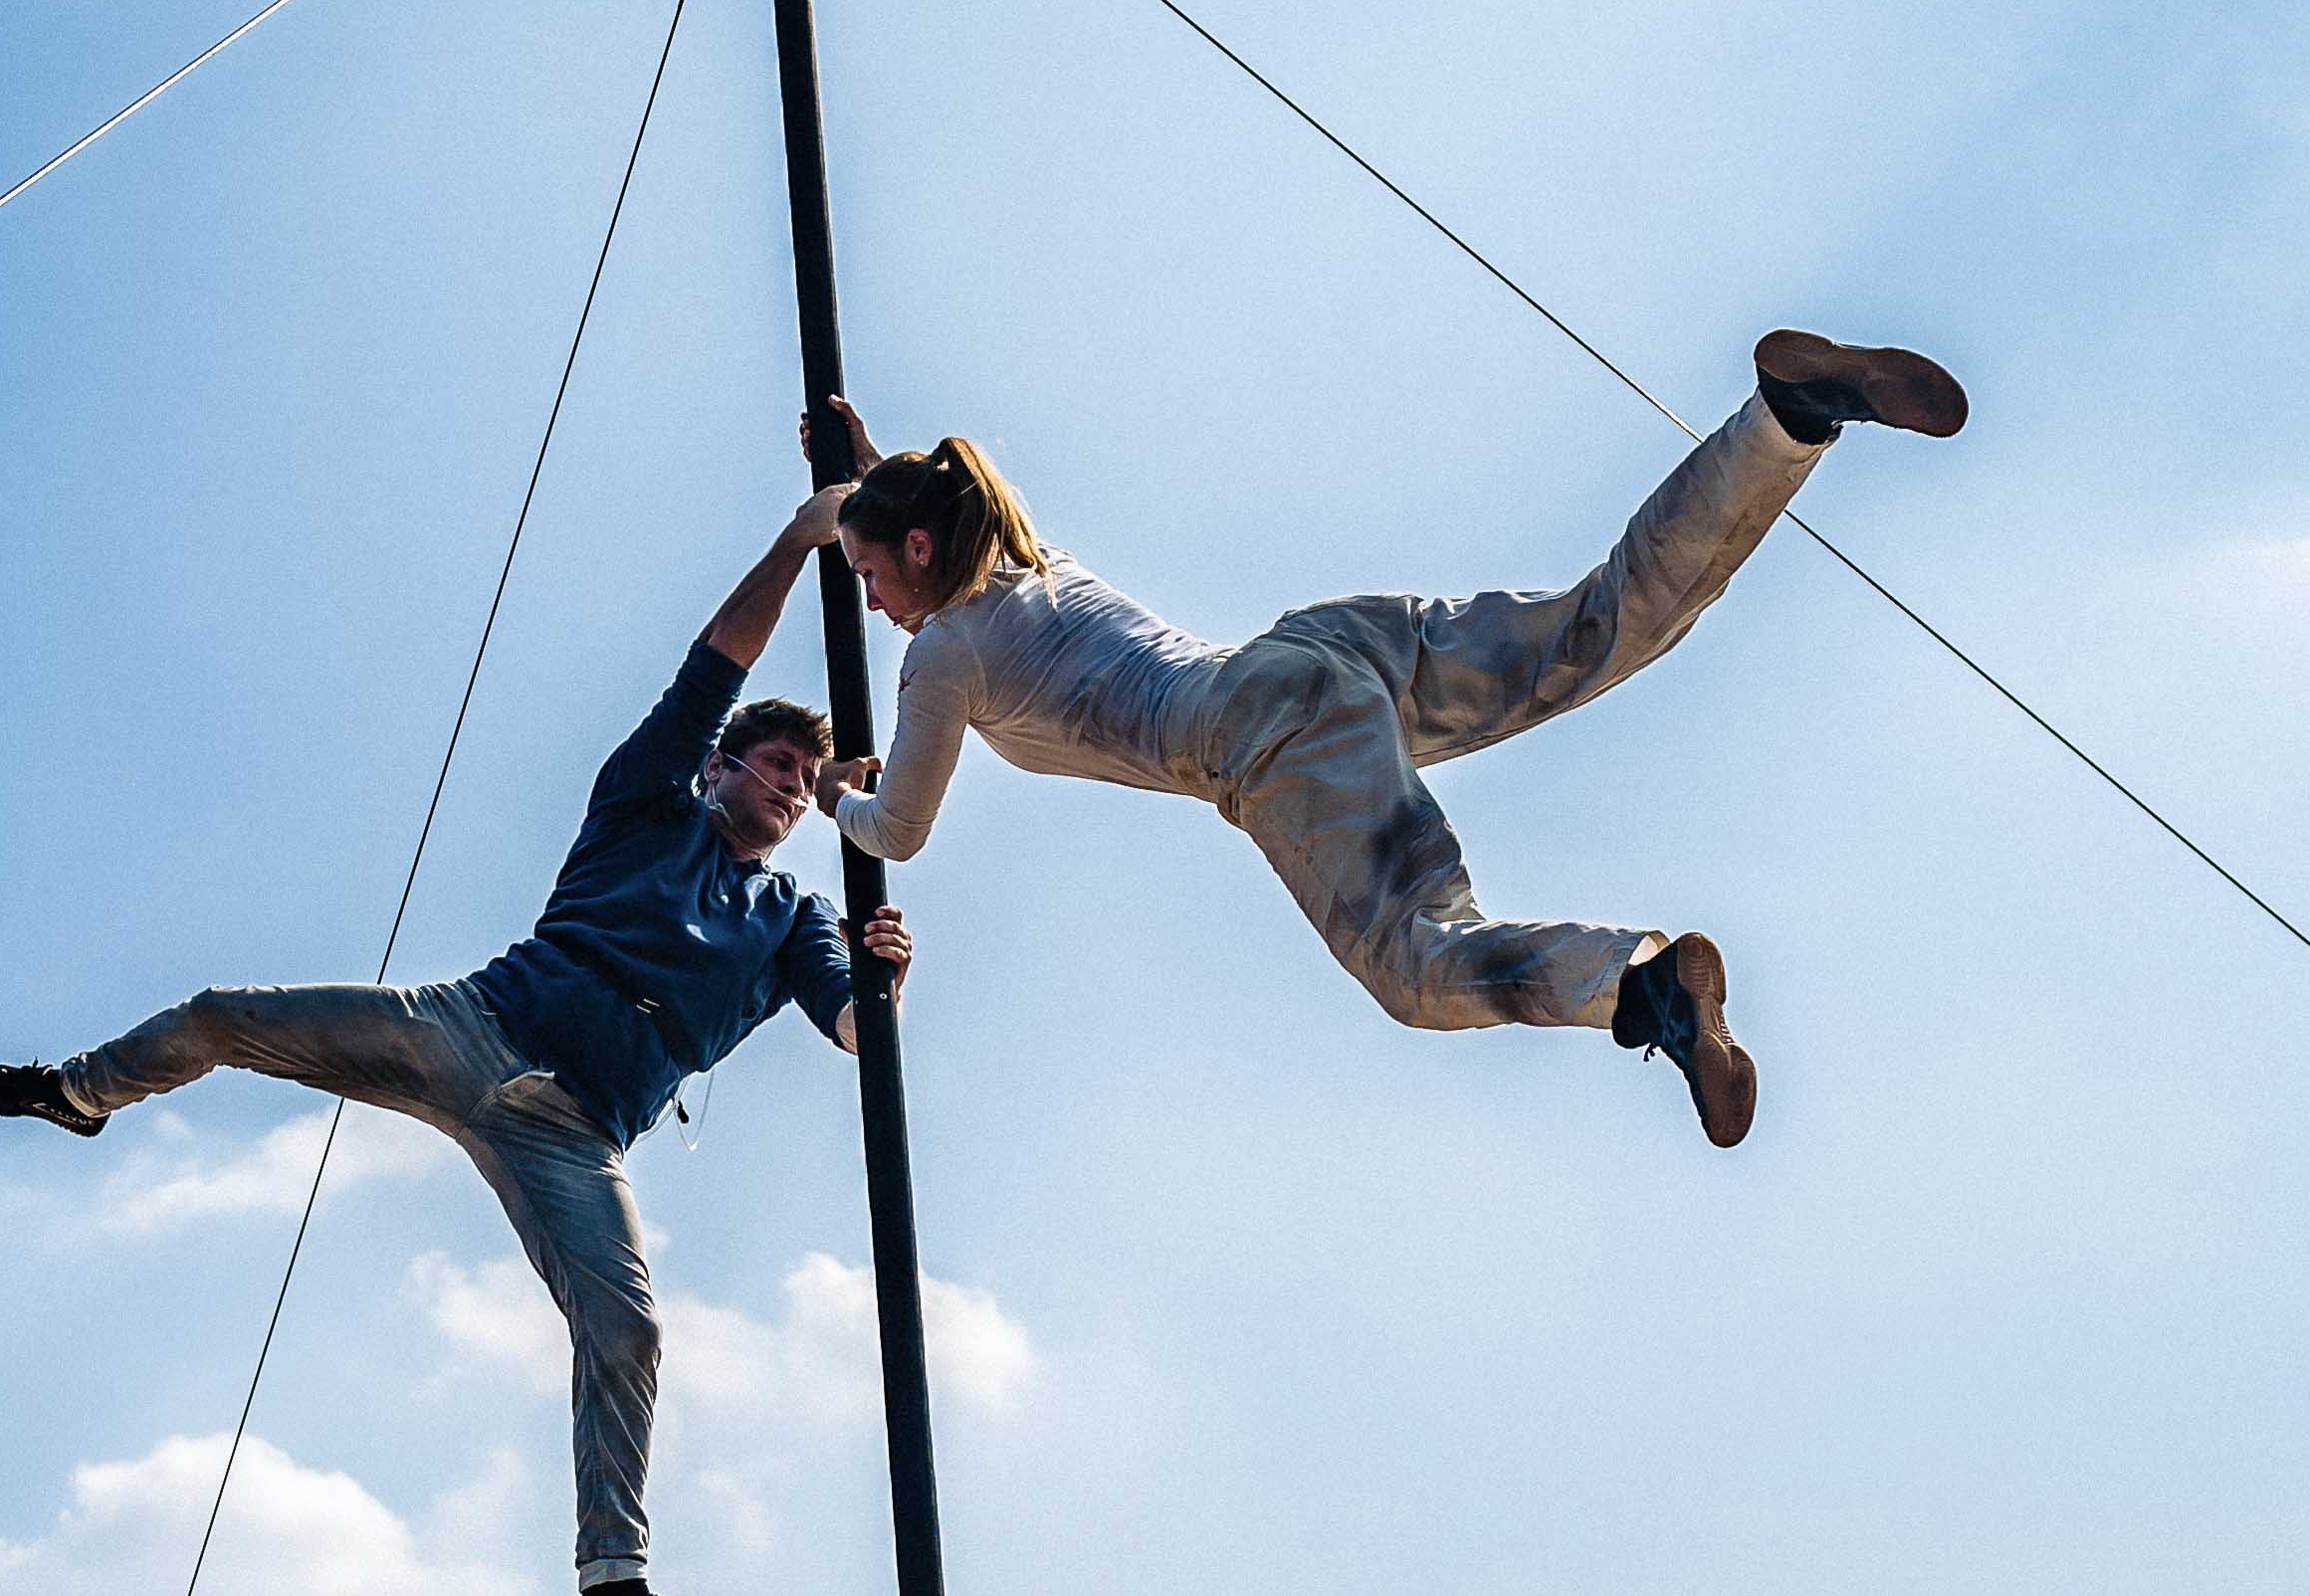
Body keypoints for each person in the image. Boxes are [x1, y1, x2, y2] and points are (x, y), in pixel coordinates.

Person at [0, 484, 913, 1596]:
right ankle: (80, 1092)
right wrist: (798, 540)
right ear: (722, 765)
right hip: (473, 1027)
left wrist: (883, 973)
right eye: (773, 762)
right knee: (219, 1013)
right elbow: (717, 658)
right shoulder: (645, 800)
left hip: (575, 1131)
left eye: (803, 783)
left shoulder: (794, 916)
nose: (785, 786)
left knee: (629, 1325)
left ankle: (612, 1587)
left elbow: (857, 1032)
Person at [801, 329, 1966, 1148]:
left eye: (863, 573)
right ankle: (1788, 416)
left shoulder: (941, 656)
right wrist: (863, 478)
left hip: (1261, 741)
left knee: (1421, 964)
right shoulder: (1036, 568)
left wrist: (832, 792)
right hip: (1312, 650)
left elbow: (897, 830)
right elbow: (925, 521)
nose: (867, 603)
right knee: (1593, 627)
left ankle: (1645, 983)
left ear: (912, 551)